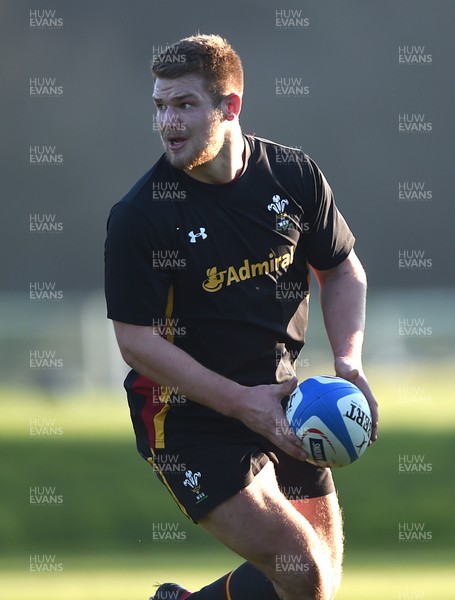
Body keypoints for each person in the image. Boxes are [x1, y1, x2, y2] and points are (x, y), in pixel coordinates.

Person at [104, 34, 378, 600]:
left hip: (283, 400)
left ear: (229, 106)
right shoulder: (141, 216)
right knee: (303, 569)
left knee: (309, 584)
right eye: (160, 106)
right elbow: (135, 341)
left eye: (184, 105)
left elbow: (343, 268)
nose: (167, 122)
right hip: (187, 419)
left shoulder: (293, 177)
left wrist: (348, 362)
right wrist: (239, 403)